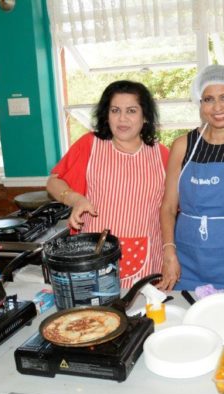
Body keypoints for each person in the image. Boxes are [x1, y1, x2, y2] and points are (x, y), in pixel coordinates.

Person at [46, 80, 169, 289]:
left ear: (145, 116)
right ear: (107, 115)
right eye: (115, 110)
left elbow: (171, 210)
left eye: (131, 110)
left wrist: (170, 254)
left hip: (148, 256)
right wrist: (75, 199)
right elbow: (53, 181)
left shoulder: (162, 155)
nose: (122, 118)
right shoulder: (90, 145)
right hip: (94, 254)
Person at [158, 65, 224, 292]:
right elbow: (168, 206)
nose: (217, 107)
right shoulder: (182, 145)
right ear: (200, 105)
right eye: (208, 99)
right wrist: (169, 252)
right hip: (187, 260)